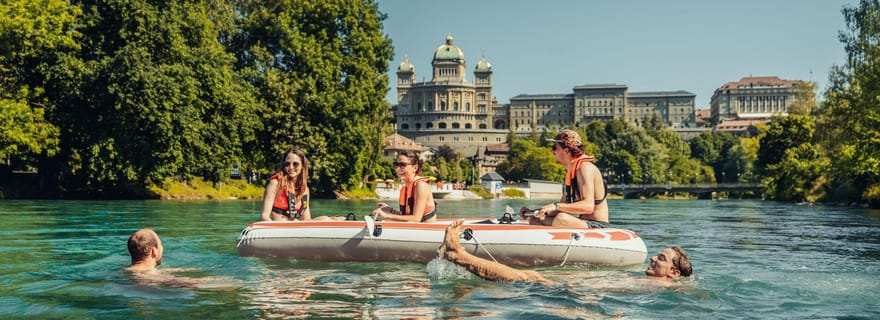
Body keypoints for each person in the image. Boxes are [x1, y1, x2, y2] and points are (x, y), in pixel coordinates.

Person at [439, 219, 693, 282]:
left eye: (661, 258)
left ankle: (458, 255)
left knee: (529, 277)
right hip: (580, 291)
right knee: (527, 277)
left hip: (578, 294)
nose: (652, 257)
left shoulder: (664, 288)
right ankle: (459, 257)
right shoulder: (659, 285)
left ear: (673, 273)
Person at [519, 130, 609, 229]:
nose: (553, 151)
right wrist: (534, 212)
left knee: (561, 218)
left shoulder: (585, 168)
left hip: (598, 225)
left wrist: (556, 205)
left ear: (566, 150)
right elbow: (563, 207)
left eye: (555, 148)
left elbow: (588, 206)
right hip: (582, 222)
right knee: (534, 219)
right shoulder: (571, 172)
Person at [372, 151, 438, 222]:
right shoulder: (405, 188)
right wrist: (390, 210)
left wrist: (387, 215)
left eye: (402, 165)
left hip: (426, 231)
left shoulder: (420, 186)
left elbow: (416, 218)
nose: (397, 169)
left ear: (415, 168)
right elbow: (407, 217)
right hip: (413, 230)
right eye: (396, 164)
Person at [259, 148, 315, 221]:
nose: (291, 167)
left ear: (303, 166)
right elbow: (264, 215)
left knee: (327, 219)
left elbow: (307, 220)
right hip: (279, 228)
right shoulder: (275, 184)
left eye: (295, 164)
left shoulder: (305, 190)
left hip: (296, 227)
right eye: (287, 164)